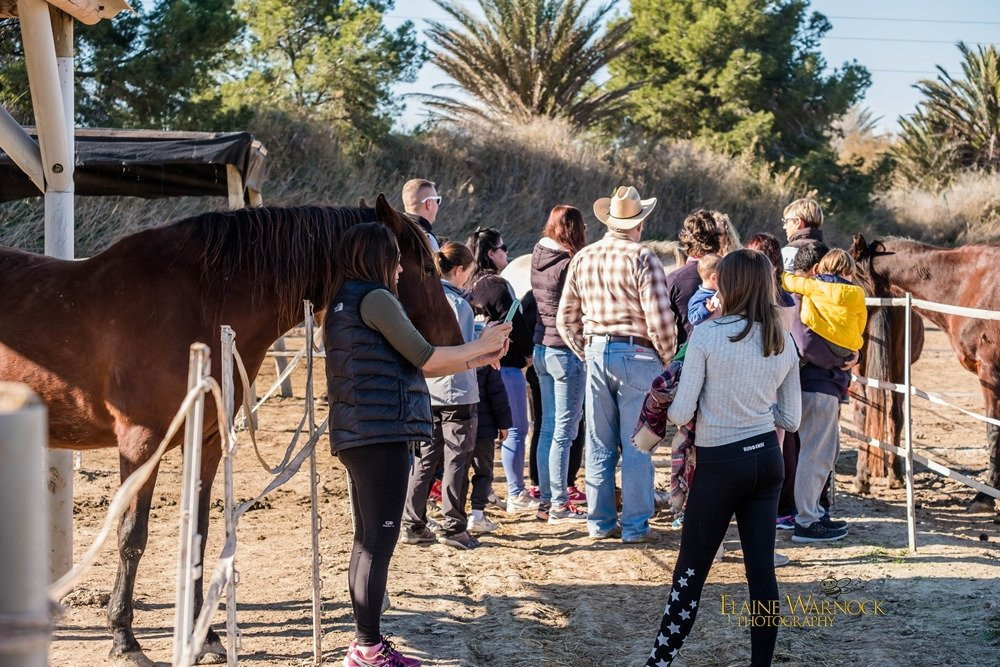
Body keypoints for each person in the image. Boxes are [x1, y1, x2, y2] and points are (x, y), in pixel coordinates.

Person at [325, 223, 511, 667]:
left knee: (365, 540)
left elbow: (415, 366)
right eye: (395, 257)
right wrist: (479, 343)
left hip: (361, 431)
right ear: (378, 258)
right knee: (377, 543)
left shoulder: (345, 300)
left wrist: (479, 355)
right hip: (381, 431)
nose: (400, 267)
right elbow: (427, 357)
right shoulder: (377, 299)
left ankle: (364, 643)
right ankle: (368, 647)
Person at [644, 249, 801, 667]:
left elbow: (680, 413)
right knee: (762, 574)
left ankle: (660, 660)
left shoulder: (709, 335)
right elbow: (791, 416)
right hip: (767, 461)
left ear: (726, 285)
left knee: (691, 571)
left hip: (720, 462)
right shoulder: (782, 339)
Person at [557, 185, 676, 543]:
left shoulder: (583, 257)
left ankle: (600, 522)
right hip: (638, 354)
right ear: (638, 224)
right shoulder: (644, 257)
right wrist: (667, 361)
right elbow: (660, 319)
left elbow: (565, 319)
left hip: (596, 351)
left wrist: (587, 351)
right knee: (638, 444)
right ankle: (635, 525)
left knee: (599, 442)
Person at [402, 242, 483, 550]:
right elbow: (464, 347)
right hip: (458, 391)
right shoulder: (459, 305)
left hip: (429, 391)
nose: (470, 278)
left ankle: (413, 521)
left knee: (425, 459)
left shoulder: (428, 298)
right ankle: (453, 526)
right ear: (459, 270)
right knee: (457, 460)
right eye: (470, 272)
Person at [783, 245, 855, 544]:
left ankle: (812, 515)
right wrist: (841, 359)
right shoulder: (806, 299)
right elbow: (807, 344)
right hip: (817, 383)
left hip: (821, 383)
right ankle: (807, 521)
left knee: (824, 452)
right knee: (815, 453)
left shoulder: (814, 298)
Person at [466, 227, 536, 513]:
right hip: (505, 366)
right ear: (492, 253)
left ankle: (486, 491)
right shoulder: (498, 284)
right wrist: (528, 352)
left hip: (472, 366)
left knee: (482, 432)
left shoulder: (468, 284)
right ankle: (516, 492)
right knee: (517, 429)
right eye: (503, 248)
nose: (506, 253)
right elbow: (515, 324)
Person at [531, 204, 589, 523]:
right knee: (564, 432)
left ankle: (546, 500)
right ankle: (559, 504)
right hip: (564, 350)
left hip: (541, 347)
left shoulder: (539, 257)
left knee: (548, 428)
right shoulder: (569, 263)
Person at [781, 248, 867, 362]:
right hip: (847, 349)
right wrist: (856, 337)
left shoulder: (814, 285)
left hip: (823, 339)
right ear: (849, 273)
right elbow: (862, 319)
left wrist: (779, 273)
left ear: (823, 268)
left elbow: (790, 282)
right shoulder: (858, 293)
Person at [665, 210, 724, 347]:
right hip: (725, 355)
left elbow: (663, 325)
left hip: (686, 356)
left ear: (686, 242)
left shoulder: (674, 279)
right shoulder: (732, 274)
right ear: (717, 239)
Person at [468, 359, 512, 534]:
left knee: (457, 472)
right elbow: (497, 394)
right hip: (483, 428)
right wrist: (504, 424)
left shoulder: (451, 353)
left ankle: (455, 516)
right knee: (483, 472)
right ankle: (477, 514)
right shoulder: (486, 357)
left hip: (456, 426)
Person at [779, 197, 824, 271]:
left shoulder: (786, 254)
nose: (784, 226)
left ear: (797, 222)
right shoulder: (829, 255)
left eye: (786, 221)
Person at [402, 178, 443, 251]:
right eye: (437, 200)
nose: (438, 205)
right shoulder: (427, 240)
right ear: (429, 203)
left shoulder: (392, 232)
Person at [686, 253, 722, 326]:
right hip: (705, 334)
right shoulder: (699, 297)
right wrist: (706, 309)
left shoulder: (716, 292)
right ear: (714, 278)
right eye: (725, 276)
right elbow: (693, 319)